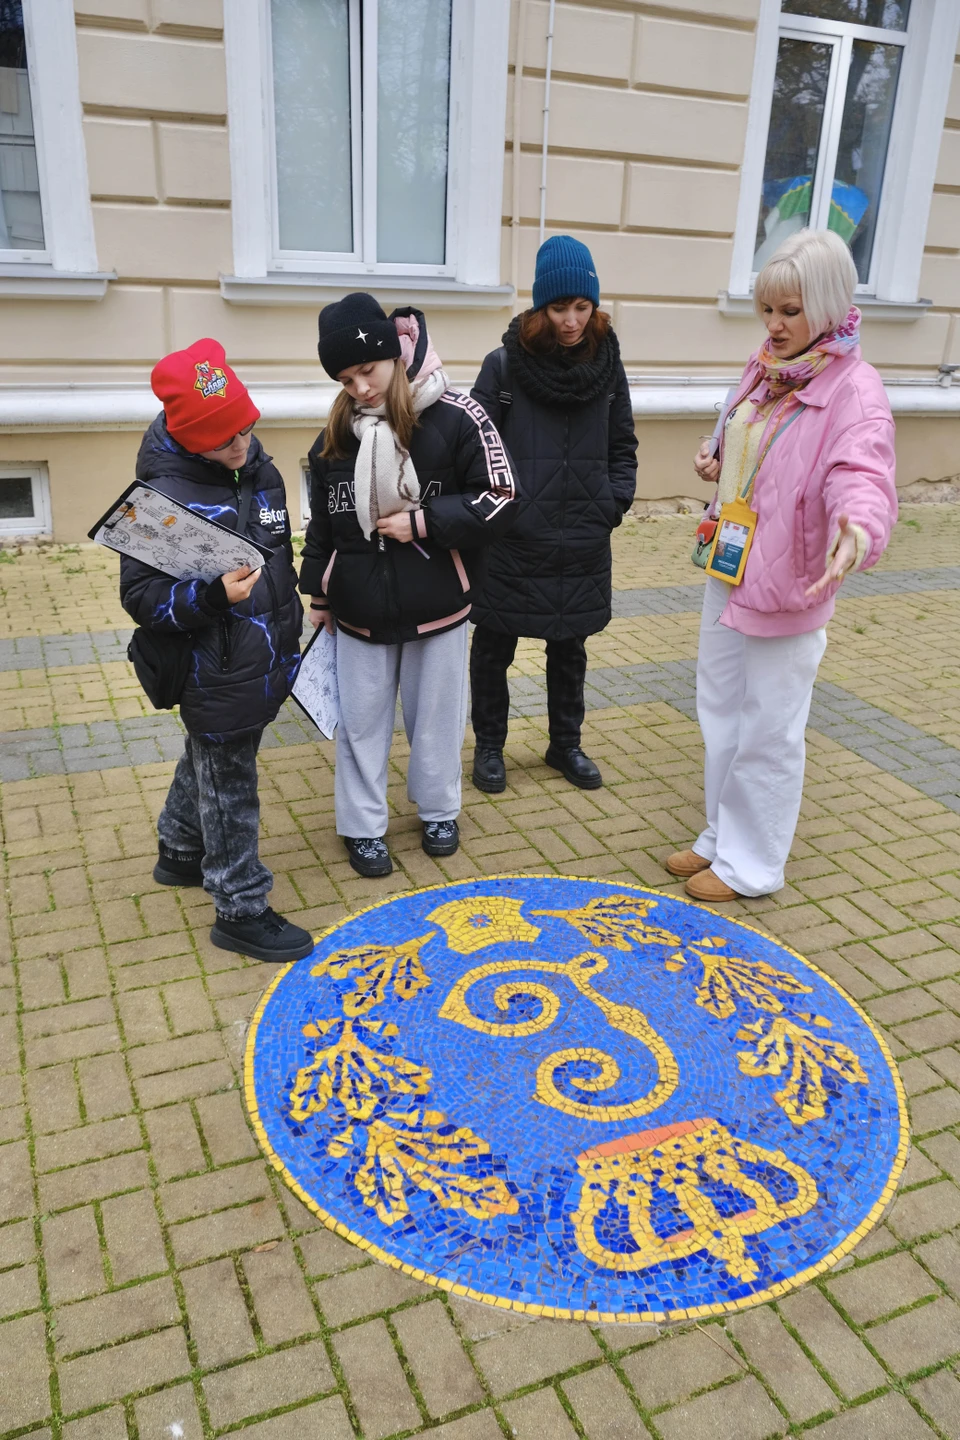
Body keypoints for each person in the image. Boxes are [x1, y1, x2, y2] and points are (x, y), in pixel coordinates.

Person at [668, 228, 897, 903]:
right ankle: (719, 836)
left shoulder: (855, 390)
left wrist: (857, 526)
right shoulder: (767, 365)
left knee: (769, 725)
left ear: (826, 307)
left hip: (792, 581)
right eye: (767, 309)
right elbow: (744, 437)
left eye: (790, 311)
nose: (774, 324)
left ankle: (753, 865)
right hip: (731, 564)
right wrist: (716, 459)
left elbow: (862, 470)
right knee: (719, 708)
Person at [300, 293, 517, 878]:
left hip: (438, 603)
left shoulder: (457, 414)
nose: (360, 388)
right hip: (359, 609)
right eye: (345, 379)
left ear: (393, 354)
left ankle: (440, 810)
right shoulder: (337, 432)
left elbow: (501, 499)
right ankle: (362, 827)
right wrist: (318, 594)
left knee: (438, 718)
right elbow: (324, 520)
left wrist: (423, 522)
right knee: (361, 724)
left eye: (366, 370)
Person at [120, 339, 313, 963]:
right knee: (230, 783)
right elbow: (144, 599)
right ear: (188, 435)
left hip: (264, 657)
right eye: (225, 437)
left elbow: (279, 555)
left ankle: (179, 847)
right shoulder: (161, 498)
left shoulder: (261, 470)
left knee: (212, 756)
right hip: (214, 667)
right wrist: (208, 597)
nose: (243, 445)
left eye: (248, 428)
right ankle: (239, 906)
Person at [469, 235, 638, 793]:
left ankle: (566, 744)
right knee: (494, 644)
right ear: (541, 307)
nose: (571, 321)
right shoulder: (503, 367)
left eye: (582, 307)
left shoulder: (609, 367)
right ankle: (490, 748)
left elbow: (622, 445)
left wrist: (611, 505)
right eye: (560, 308)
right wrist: (497, 513)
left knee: (571, 647)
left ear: (595, 306)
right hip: (513, 537)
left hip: (583, 534)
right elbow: (473, 447)